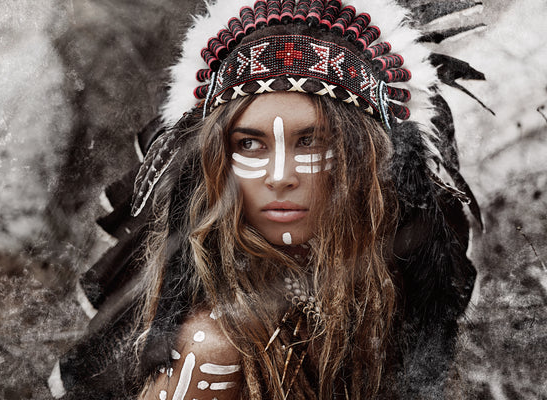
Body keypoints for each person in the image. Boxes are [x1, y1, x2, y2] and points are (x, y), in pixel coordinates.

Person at [50, 0, 484, 399]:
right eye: (251, 145)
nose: (280, 177)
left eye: (311, 141)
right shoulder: (211, 349)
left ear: (367, 159)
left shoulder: (381, 293)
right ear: (219, 165)